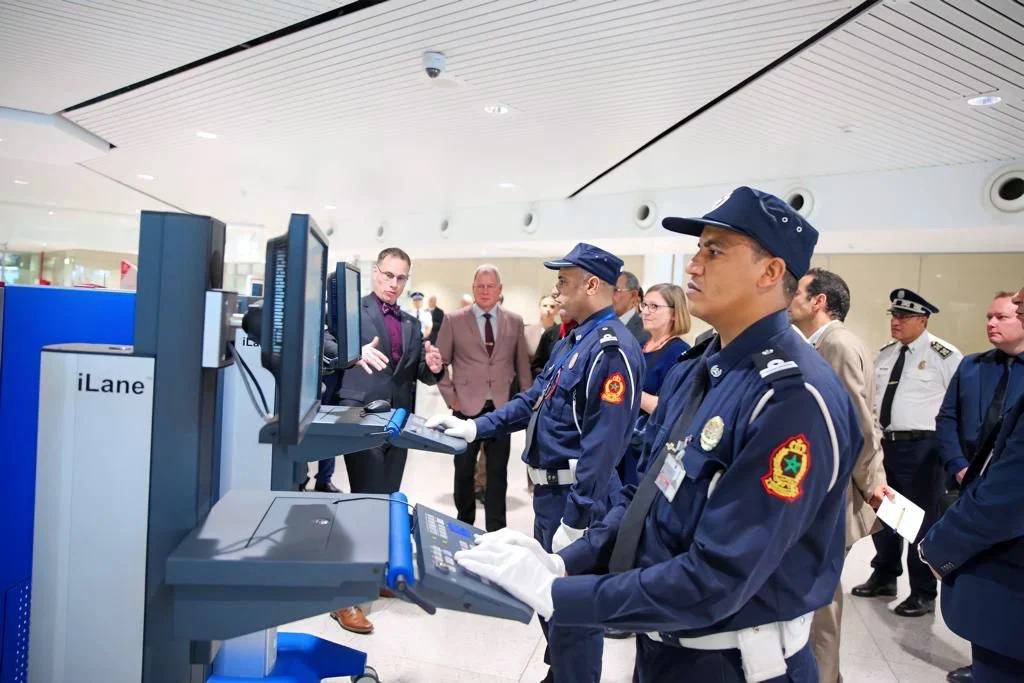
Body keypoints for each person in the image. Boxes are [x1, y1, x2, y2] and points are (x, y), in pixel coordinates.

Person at [453, 186, 862, 683]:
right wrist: (563, 562)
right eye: (697, 250)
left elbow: (719, 578)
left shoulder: (791, 398)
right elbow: (645, 492)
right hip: (667, 647)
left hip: (735, 664)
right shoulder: (702, 368)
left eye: (714, 251)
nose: (692, 266)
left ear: (770, 272)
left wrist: (560, 595)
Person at [428, 243, 644, 683]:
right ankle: (560, 672)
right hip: (551, 496)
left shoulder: (611, 351)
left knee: (575, 612)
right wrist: (476, 428)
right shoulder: (575, 339)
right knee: (552, 605)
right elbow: (532, 400)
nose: (556, 289)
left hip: (577, 500)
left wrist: (579, 517)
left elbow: (604, 446)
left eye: (564, 281)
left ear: (592, 284)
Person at [328, 247, 444, 635]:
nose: (393, 284)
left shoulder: (411, 323)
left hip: (399, 422)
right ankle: (343, 596)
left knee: (387, 502)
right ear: (375, 273)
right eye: (388, 275)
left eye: (401, 278)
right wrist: (352, 353)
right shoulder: (351, 311)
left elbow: (413, 376)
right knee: (366, 501)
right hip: (360, 416)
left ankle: (374, 577)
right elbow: (324, 345)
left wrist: (432, 368)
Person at [788, 267, 891, 683]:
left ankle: (824, 676)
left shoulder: (837, 344)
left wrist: (871, 485)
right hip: (824, 489)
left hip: (835, 492)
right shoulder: (819, 343)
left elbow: (859, 424)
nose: (789, 298)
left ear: (819, 302)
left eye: (798, 292)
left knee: (821, 599)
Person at [920, 284, 1024, 683]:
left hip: (1000, 527)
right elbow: (947, 418)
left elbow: (1010, 492)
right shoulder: (973, 366)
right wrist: (960, 465)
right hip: (967, 483)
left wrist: (938, 547)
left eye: (1008, 314)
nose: (995, 321)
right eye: (990, 316)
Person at [851, 288, 963, 617]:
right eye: (894, 316)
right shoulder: (885, 354)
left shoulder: (944, 355)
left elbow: (957, 405)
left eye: (904, 317)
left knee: (919, 521)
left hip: (923, 448)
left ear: (923, 320)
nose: (895, 322)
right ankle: (885, 575)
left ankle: (923, 592)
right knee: (885, 513)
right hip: (886, 445)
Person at [436, 264, 532, 531]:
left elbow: (522, 366)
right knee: (464, 470)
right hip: (465, 407)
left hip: (502, 409)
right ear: (473, 288)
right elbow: (440, 363)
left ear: (500, 290)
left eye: (491, 286)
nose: (485, 291)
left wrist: (525, 403)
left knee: (498, 474)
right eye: (480, 286)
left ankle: (496, 530)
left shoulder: (514, 321)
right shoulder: (454, 320)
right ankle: (464, 524)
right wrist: (451, 398)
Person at [618, 283, 691, 488]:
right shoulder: (641, 347)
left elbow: (672, 408)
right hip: (622, 441)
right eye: (644, 305)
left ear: (675, 313)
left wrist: (629, 390)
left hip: (646, 447)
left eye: (654, 307)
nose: (646, 312)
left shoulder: (681, 353)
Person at [614, 270, 651, 345]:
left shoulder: (647, 331)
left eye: (615, 290)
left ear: (633, 295)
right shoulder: (597, 325)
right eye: (606, 291)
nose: (607, 296)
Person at [525, 294, 560, 362]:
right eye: (545, 306)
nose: (548, 309)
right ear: (539, 308)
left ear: (557, 310)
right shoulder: (527, 331)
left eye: (552, 307)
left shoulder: (561, 333)